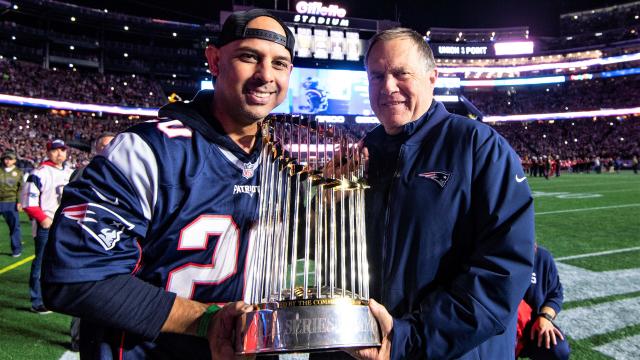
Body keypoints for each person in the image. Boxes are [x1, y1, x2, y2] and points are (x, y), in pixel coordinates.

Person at [41, 9, 294, 359]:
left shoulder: (279, 163)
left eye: (279, 63)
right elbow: (77, 277)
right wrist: (206, 322)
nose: (265, 74)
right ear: (214, 60)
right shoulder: (147, 150)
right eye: (249, 57)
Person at [354, 28, 535, 360]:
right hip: (370, 348)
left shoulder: (479, 146)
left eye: (400, 73)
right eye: (377, 76)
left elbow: (503, 268)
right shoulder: (364, 153)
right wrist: (325, 200)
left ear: (432, 77)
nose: (387, 86)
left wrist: (407, 340)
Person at [22, 139, 73, 313]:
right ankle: (37, 301)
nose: (59, 153)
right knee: (42, 263)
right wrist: (43, 219)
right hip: (48, 224)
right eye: (55, 150)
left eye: (62, 150)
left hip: (66, 224)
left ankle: (57, 297)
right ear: (48, 152)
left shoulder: (69, 171)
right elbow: (28, 202)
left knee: (65, 262)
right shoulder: (39, 173)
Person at [516, 245, 570, 360]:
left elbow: (555, 294)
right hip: (501, 327)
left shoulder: (542, 257)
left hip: (533, 324)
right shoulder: (496, 256)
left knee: (558, 350)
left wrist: (545, 317)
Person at [1, 150, 23, 257]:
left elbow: (21, 188)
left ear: (14, 160)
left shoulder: (18, 173)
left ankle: (16, 249)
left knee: (14, 227)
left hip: (11, 202)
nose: (7, 161)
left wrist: (19, 202)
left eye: (9, 159)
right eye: (5, 158)